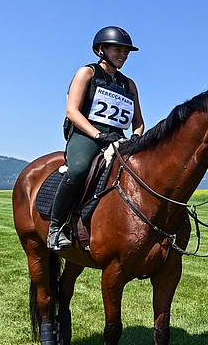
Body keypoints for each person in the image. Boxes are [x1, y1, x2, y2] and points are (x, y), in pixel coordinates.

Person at [47, 26, 146, 250]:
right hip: (87, 135)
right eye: (117, 49)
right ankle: (56, 228)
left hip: (119, 139)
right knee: (80, 169)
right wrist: (99, 135)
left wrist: (137, 137)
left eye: (126, 51)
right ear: (101, 50)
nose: (123, 55)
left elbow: (138, 122)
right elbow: (72, 111)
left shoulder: (128, 84)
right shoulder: (87, 73)